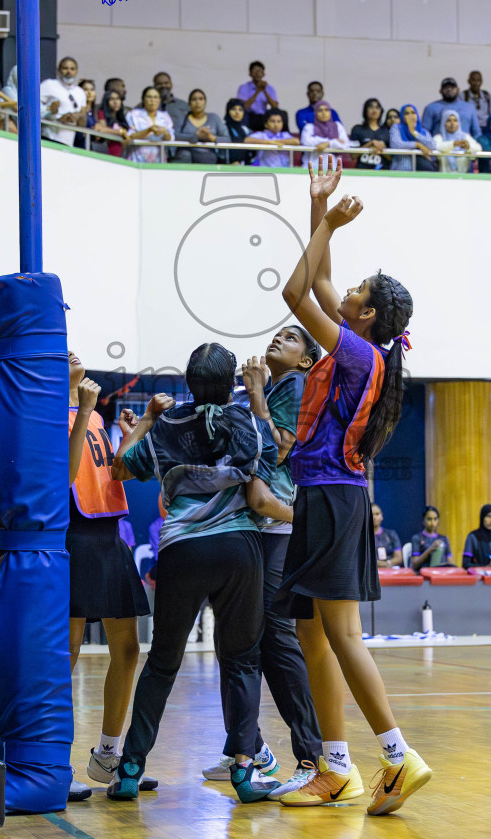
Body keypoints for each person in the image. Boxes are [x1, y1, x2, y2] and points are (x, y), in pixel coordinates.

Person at [273, 164, 431, 814]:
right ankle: (335, 768)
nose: (347, 289)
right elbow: (320, 280)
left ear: (364, 315)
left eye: (357, 290)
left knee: (342, 636)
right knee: (312, 634)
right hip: (325, 496)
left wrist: (328, 224)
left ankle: (398, 756)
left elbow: (295, 289)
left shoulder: (355, 351)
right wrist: (318, 209)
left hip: (334, 499)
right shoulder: (360, 347)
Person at [107, 344, 292, 804]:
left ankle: (130, 769)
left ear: (188, 383)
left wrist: (145, 421)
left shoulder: (167, 424)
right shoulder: (248, 421)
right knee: (242, 662)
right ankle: (246, 773)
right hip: (239, 550)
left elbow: (119, 468)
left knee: (162, 663)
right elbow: (277, 453)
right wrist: (256, 395)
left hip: (181, 551)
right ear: (230, 381)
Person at [201, 326, 326, 795]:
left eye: (291, 338)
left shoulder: (294, 384)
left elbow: (281, 446)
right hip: (250, 528)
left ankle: (314, 757)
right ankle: (248, 747)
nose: (278, 339)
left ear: (306, 359)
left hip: (279, 528)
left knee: (277, 637)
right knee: (236, 641)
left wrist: (254, 394)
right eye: (276, 335)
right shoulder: (265, 387)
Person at [64, 352, 152, 800]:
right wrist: (81, 412)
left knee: (129, 648)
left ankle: (108, 755)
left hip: (108, 537)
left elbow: (117, 470)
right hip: (73, 537)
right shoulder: (49, 413)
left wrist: (139, 428)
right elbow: (62, 472)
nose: (74, 353)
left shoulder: (96, 415)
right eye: (64, 354)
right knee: (69, 653)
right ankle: (52, 763)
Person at [174, 88, 230, 164]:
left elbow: (227, 139)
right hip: (186, 159)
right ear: (189, 104)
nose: (198, 102)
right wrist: (195, 136)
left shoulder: (214, 118)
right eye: (194, 99)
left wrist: (211, 137)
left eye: (201, 99)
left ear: (205, 102)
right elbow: (175, 136)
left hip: (209, 158)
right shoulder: (183, 118)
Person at [42, 57, 88, 145]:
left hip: (69, 140)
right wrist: (55, 115)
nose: (69, 72)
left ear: (76, 71)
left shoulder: (80, 92)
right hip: (49, 137)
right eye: (65, 68)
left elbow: (83, 117)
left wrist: (77, 116)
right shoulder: (49, 84)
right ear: (58, 70)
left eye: (72, 69)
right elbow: (34, 106)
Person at [126, 85, 175, 163]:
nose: (152, 100)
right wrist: (149, 130)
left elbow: (171, 138)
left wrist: (165, 133)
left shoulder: (165, 116)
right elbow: (130, 136)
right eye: (149, 97)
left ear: (159, 100)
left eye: (156, 97)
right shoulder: (134, 114)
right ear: (143, 99)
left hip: (159, 159)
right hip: (137, 159)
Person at [300, 100, 352, 167]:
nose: (324, 113)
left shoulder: (337, 126)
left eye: (327, 110)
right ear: (315, 113)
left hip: (333, 166)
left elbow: (346, 144)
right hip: (312, 165)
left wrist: (328, 143)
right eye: (320, 110)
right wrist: (333, 141)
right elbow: (306, 142)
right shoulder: (309, 127)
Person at [389, 105, 435, 172]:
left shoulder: (423, 131)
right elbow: (395, 144)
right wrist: (417, 145)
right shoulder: (396, 128)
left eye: (413, 113)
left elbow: (432, 146)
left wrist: (414, 133)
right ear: (402, 116)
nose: (410, 116)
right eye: (407, 113)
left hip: (421, 172)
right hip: (401, 172)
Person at [237, 60, 281, 130]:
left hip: (264, 116)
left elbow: (275, 106)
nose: (257, 73)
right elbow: (244, 107)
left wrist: (264, 90)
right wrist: (257, 91)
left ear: (263, 74)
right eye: (255, 71)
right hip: (249, 115)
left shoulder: (269, 88)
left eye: (260, 71)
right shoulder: (244, 87)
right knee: (242, 114)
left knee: (280, 114)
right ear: (250, 74)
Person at [349, 98, 390, 171]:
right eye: (371, 107)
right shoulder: (357, 129)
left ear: (381, 111)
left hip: (383, 171)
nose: (374, 110)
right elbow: (353, 155)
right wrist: (371, 143)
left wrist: (381, 149)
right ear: (365, 110)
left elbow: (391, 158)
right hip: (362, 171)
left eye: (377, 107)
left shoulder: (386, 131)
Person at [93, 90, 131, 157]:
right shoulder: (101, 113)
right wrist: (119, 132)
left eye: (118, 99)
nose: (115, 102)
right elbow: (101, 129)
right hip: (106, 152)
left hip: (122, 153)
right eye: (112, 99)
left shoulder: (122, 117)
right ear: (106, 101)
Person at [223, 98, 253, 163]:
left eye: (240, 110)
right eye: (233, 109)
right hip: (226, 167)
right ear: (228, 111)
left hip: (245, 168)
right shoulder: (223, 128)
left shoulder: (246, 130)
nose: (237, 112)